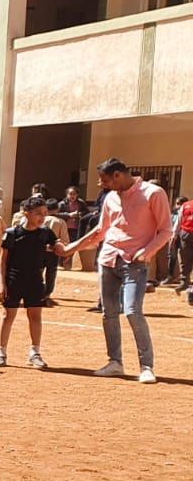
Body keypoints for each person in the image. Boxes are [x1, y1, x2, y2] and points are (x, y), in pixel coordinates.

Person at [59, 158, 174, 383]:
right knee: (108, 313)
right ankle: (115, 362)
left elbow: (166, 230)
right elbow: (101, 230)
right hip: (108, 259)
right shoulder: (111, 197)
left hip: (135, 262)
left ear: (118, 175)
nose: (101, 185)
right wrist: (72, 248)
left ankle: (146, 366)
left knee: (132, 311)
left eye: (104, 180)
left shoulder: (153, 193)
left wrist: (146, 252)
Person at [0, 197, 66, 369]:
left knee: (35, 316)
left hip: (35, 280)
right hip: (14, 279)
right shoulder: (12, 233)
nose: (42, 217)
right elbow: (3, 260)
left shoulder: (45, 232)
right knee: (8, 315)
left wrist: (65, 246)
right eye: (38, 213)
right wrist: (2, 284)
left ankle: (35, 353)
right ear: (26, 214)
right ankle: (1, 352)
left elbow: (57, 245)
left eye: (45, 213)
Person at [175, 195, 193, 295]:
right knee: (185, 259)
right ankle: (184, 281)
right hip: (186, 233)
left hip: (186, 234)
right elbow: (179, 221)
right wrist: (174, 234)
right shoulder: (186, 205)